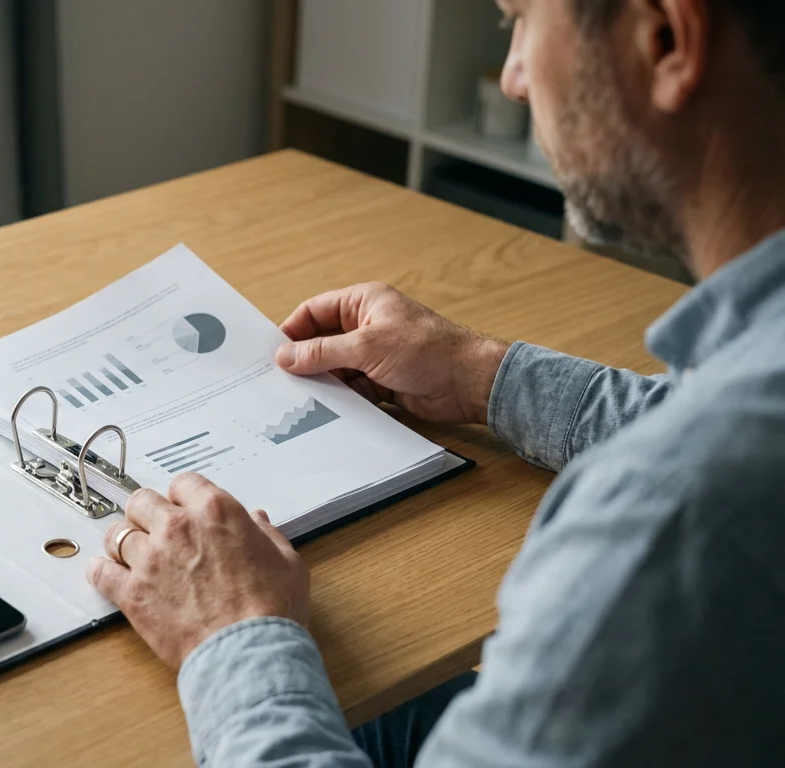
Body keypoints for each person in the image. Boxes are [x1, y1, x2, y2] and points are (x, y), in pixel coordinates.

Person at [86, 0, 785, 765]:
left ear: (664, 39)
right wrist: (482, 375)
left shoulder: (668, 522)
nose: (515, 79)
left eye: (520, 20)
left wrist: (231, 632)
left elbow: (703, 465)